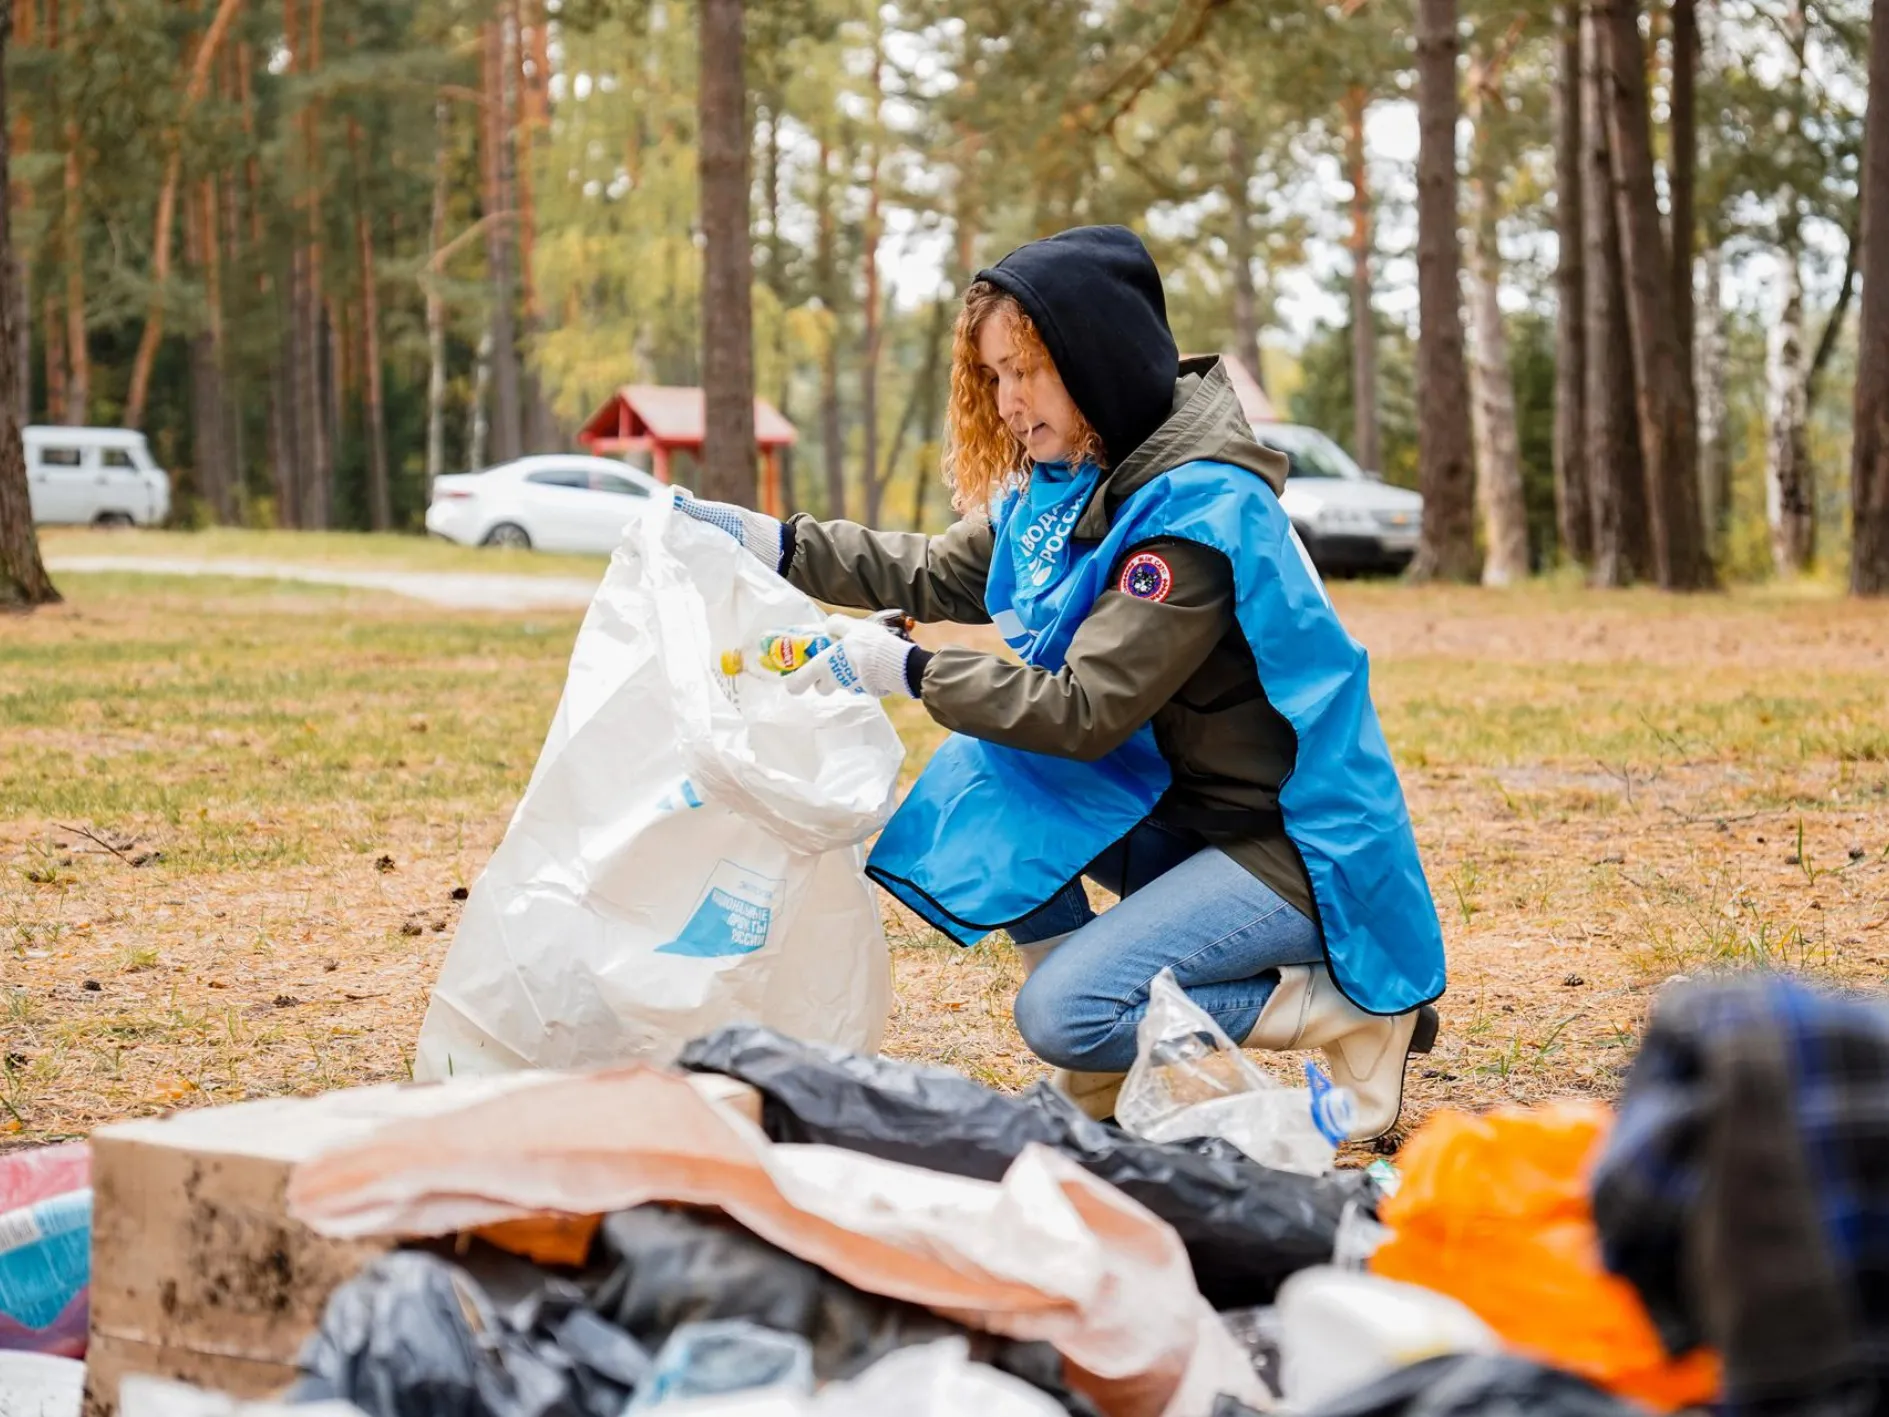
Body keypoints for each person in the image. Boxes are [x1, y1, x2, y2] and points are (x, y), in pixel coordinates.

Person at [679, 225, 1445, 1140]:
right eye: (994, 376)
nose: (1005, 401)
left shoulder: (1191, 518)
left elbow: (1082, 712)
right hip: (1190, 812)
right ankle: (1105, 1073)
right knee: (990, 782)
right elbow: (935, 570)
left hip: (1293, 848)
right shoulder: (1081, 480)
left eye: (1026, 371)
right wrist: (773, 543)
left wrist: (905, 668)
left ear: (1094, 359)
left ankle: (1341, 1006)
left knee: (1062, 1012)